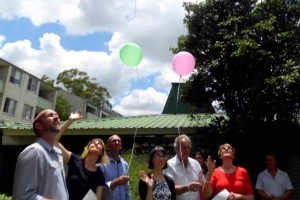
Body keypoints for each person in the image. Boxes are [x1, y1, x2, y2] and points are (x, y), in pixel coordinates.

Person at [12, 109, 69, 200]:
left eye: (57, 115)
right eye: (51, 115)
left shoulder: (58, 154)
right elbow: (22, 196)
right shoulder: (34, 152)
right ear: (39, 126)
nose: (57, 117)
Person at [55, 111, 109, 200]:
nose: (95, 144)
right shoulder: (74, 160)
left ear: (101, 152)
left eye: (99, 144)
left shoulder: (100, 174)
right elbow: (55, 141)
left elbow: (98, 198)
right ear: (87, 148)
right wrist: (70, 121)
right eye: (93, 143)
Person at [164, 134, 205, 200]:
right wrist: (187, 188)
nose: (187, 151)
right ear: (176, 149)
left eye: (188, 148)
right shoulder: (169, 165)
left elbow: (202, 184)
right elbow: (169, 188)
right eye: (184, 148)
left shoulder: (195, 163)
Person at [101, 135, 131, 200]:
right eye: (114, 141)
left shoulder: (125, 164)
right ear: (107, 146)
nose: (117, 142)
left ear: (121, 146)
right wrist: (116, 181)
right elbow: (100, 189)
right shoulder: (102, 164)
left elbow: (127, 189)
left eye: (119, 141)